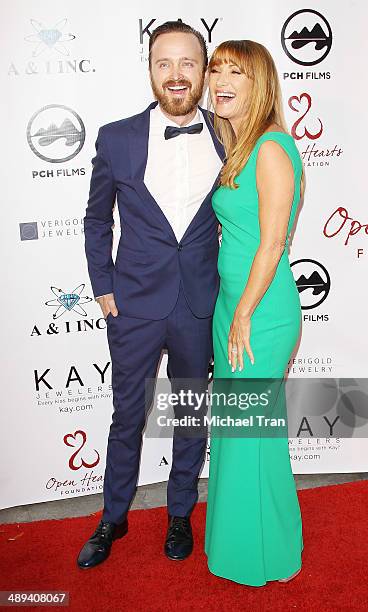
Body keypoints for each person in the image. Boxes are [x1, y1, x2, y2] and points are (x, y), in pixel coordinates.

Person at [77, 21, 224, 569]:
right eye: (165, 63)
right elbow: (96, 219)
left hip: (199, 303)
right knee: (125, 417)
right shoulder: (116, 137)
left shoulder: (228, 136)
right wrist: (102, 285)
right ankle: (113, 517)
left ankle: (180, 513)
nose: (176, 75)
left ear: (204, 71)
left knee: (190, 414)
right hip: (133, 303)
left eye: (188, 63)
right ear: (150, 70)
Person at [204, 40, 305, 586]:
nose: (219, 79)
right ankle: (249, 541)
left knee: (249, 428)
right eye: (215, 69)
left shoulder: (269, 147)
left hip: (260, 311)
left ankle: (262, 552)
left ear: (259, 83)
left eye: (234, 72)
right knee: (246, 429)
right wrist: (232, 308)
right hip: (234, 306)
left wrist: (243, 313)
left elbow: (272, 244)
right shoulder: (239, 144)